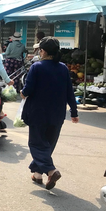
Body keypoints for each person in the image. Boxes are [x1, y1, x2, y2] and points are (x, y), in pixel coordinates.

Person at [21, 37, 79, 190]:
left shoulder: (37, 67)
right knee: (47, 144)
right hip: (57, 113)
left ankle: (51, 171)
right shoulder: (63, 68)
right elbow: (69, 92)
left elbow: (28, 89)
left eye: (39, 50)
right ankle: (38, 174)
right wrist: (74, 111)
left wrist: (22, 93)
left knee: (36, 143)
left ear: (44, 51)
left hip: (37, 113)